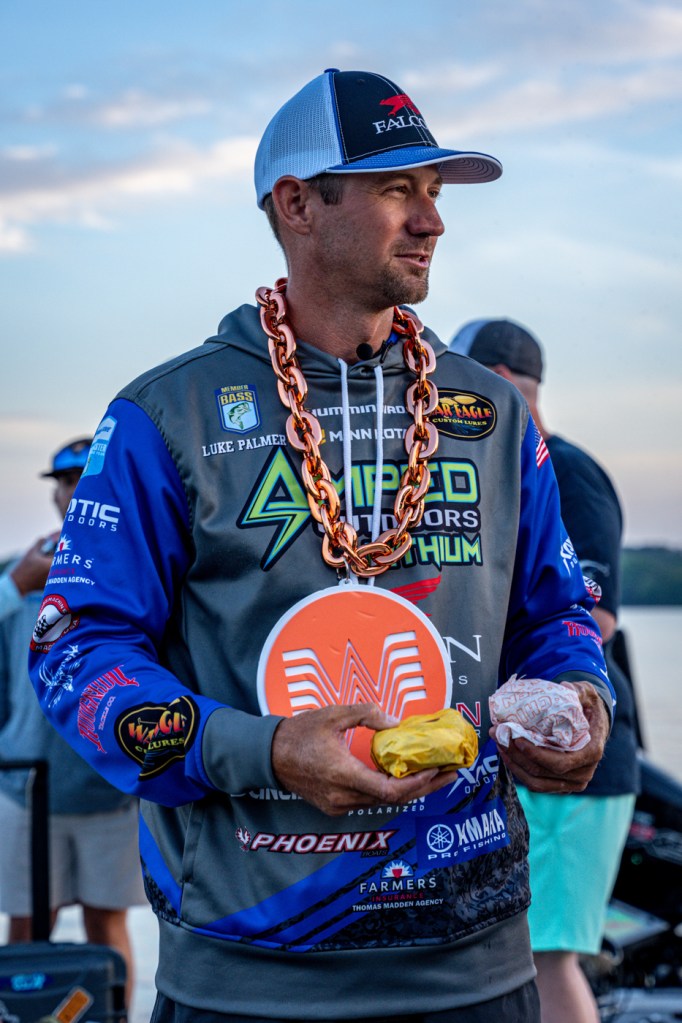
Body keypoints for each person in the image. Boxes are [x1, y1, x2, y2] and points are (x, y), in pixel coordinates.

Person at [28, 69, 614, 1023]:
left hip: (478, 963)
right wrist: (261, 749)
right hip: (247, 975)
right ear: (298, 204)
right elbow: (75, 649)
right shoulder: (165, 415)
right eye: (397, 189)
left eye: (435, 191)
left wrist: (580, 697)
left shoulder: (492, 413)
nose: (432, 220)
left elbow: (557, 615)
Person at [449, 318, 639, 1023]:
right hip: (522, 751)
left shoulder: (568, 471)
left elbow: (594, 617)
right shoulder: (500, 470)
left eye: (457, 382)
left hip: (574, 757)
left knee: (545, 956)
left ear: (496, 381)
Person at [0, 438, 145, 1008]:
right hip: (24, 790)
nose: (74, 489)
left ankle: (115, 1017)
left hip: (111, 792)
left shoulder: (133, 567)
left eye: (86, 477)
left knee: (107, 926)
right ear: (55, 493)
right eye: (65, 480)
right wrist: (17, 587)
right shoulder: (15, 573)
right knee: (26, 927)